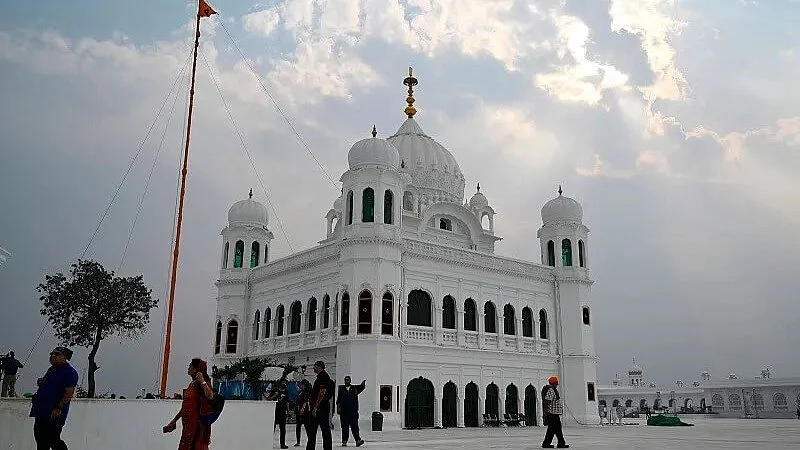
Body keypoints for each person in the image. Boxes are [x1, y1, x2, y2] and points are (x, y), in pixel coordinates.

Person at [29, 346, 78, 450]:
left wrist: (59, 407)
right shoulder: (52, 369)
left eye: (57, 354)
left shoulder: (69, 372)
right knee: (40, 440)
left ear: (65, 357)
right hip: (41, 411)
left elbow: (69, 393)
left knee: (53, 440)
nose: (53, 356)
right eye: (52, 354)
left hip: (54, 414)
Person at [163, 358, 216, 450]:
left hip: (197, 426)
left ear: (196, 369)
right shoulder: (192, 384)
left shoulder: (202, 383)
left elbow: (210, 396)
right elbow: (186, 406)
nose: (188, 368)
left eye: (190, 366)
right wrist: (174, 420)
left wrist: (202, 381)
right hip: (188, 425)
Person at [306, 360, 333, 450]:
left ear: (319, 367)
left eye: (315, 366)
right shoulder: (320, 377)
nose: (313, 368)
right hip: (319, 408)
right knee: (312, 430)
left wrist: (316, 407)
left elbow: (322, 392)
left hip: (321, 408)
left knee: (324, 430)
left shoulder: (324, 377)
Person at [336, 376, 365, 447]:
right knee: (344, 427)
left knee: (355, 427)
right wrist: (338, 409)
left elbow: (361, 387)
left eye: (348, 380)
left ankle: (358, 440)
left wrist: (363, 384)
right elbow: (338, 401)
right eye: (346, 380)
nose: (347, 381)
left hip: (353, 411)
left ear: (350, 381)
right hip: (344, 412)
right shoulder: (341, 389)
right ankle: (344, 441)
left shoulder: (354, 388)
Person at [541, 376, 568, 449]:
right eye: (556, 383)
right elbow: (547, 401)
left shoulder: (553, 389)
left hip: (553, 413)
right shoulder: (551, 390)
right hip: (552, 414)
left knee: (552, 430)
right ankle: (561, 443)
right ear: (554, 383)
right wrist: (546, 413)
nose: (557, 384)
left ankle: (546, 443)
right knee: (557, 429)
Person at [267, 378, 290, 449]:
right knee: (272, 428)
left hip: (283, 412)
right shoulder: (274, 390)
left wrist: (288, 411)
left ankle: (282, 444)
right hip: (275, 411)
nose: (284, 384)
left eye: (285, 383)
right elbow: (268, 399)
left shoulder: (286, 391)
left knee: (283, 429)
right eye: (282, 383)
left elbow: (287, 402)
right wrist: (275, 395)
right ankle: (268, 443)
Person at [295, 380, 312, 447]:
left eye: (301, 384)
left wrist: (302, 408)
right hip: (299, 410)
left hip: (304, 411)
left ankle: (310, 439)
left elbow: (306, 401)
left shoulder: (306, 392)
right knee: (298, 426)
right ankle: (298, 441)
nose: (300, 385)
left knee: (307, 426)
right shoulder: (300, 392)